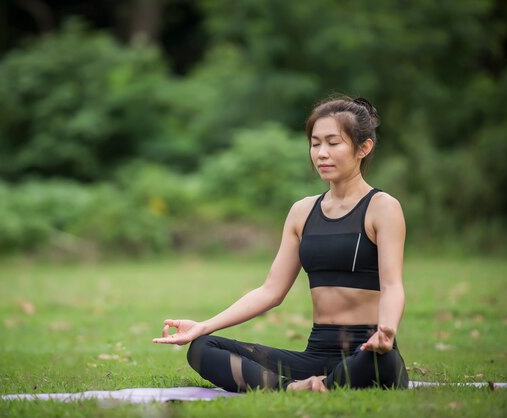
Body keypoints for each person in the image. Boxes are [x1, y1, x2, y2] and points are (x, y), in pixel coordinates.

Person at [152, 96, 409, 392]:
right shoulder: (302, 212)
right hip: (315, 355)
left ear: (363, 148)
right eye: (315, 144)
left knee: (383, 361)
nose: (322, 154)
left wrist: (385, 332)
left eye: (333, 143)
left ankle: (321, 384)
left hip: (365, 352)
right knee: (202, 347)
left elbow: (392, 285)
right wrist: (204, 325)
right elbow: (271, 291)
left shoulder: (382, 207)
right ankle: (293, 387)